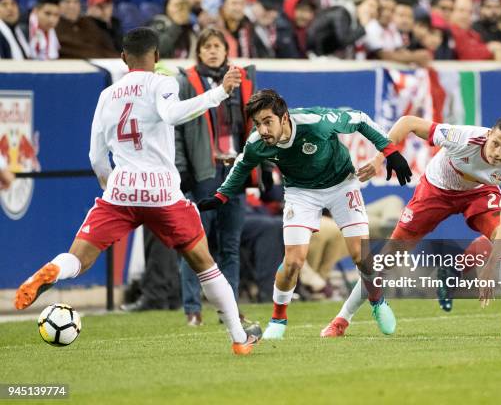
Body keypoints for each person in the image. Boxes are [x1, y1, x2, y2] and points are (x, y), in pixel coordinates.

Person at [13, 27, 261, 355]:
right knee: (205, 263)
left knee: (79, 257)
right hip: (161, 192)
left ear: (122, 58)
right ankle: (239, 339)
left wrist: (110, 184)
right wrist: (218, 93)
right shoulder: (163, 82)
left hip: (120, 192)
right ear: (156, 57)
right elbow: (173, 115)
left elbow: (96, 156)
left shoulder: (107, 95)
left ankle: (55, 270)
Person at [198, 89, 412, 340]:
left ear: (284, 118)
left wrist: (390, 153)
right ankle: (278, 319)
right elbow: (243, 165)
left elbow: (360, 119)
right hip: (301, 193)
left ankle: (378, 302)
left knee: (360, 256)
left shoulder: (316, 123)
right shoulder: (257, 142)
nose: (263, 130)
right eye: (258, 124)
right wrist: (221, 196)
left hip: (342, 184)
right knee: (293, 262)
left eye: (268, 122)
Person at [321, 115, 501, 338]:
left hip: (479, 193)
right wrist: (379, 159)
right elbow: (407, 123)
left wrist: (490, 266)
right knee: (388, 257)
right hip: (436, 190)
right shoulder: (462, 137)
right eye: (495, 143)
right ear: (488, 134)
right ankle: (341, 319)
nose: (498, 152)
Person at [174, 27, 256, 326]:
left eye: (217, 46)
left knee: (230, 244)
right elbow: (177, 130)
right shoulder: (185, 82)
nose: (212, 50)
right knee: (195, 242)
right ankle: (192, 308)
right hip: (203, 171)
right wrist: (182, 169)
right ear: (199, 51)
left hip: (234, 168)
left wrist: (263, 168)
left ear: (226, 50)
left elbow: (253, 125)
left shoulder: (242, 81)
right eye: (207, 46)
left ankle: (228, 309)